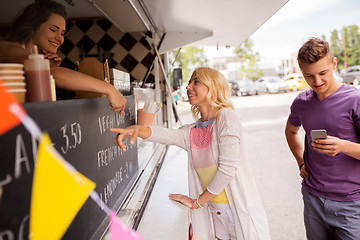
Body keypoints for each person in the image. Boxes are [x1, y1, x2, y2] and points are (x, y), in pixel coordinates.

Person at [110, 67, 271, 240]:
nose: (188, 87)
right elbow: (166, 135)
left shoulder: (226, 117)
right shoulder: (193, 131)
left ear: (214, 87)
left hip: (237, 213)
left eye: (196, 82)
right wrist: (136, 129)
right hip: (214, 214)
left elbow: (227, 171)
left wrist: (197, 202)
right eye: (188, 82)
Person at [285, 37, 360, 239]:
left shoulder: (354, 99)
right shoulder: (301, 103)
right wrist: (301, 162)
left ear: (333, 64)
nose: (317, 82)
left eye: (323, 73)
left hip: (352, 203)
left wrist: (343, 146)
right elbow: (291, 131)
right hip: (313, 198)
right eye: (309, 76)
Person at [0, 0, 126, 113]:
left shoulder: (31, 55)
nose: (59, 38)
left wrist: (48, 67)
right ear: (32, 27)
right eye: (53, 30)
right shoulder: (8, 48)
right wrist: (109, 89)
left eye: (62, 33)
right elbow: (55, 74)